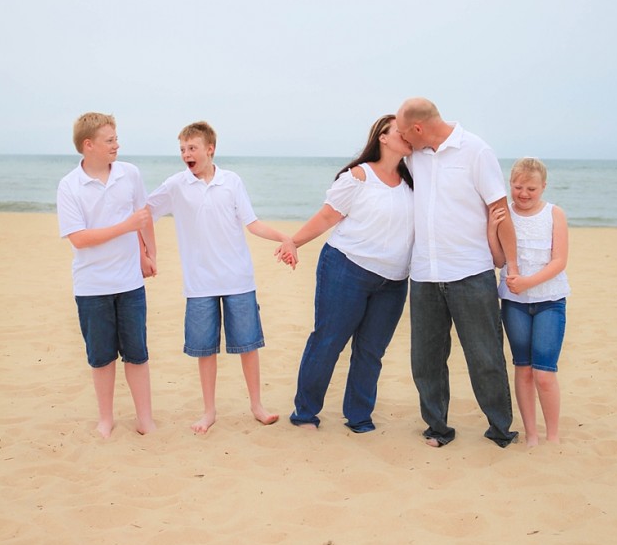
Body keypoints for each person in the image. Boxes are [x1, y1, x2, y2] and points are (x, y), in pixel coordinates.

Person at [145, 120, 295, 433]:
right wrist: (147, 253)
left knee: (248, 345)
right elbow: (144, 212)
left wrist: (285, 237)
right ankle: (209, 411)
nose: (186, 153)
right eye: (183, 149)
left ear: (210, 149)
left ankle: (257, 405)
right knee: (205, 349)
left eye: (192, 148)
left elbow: (252, 224)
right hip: (199, 283)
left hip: (238, 278)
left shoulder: (232, 181)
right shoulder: (176, 185)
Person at [277, 115, 414, 433]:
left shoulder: (413, 179)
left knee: (371, 351)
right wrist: (293, 241)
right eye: (400, 130)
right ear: (382, 136)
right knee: (328, 341)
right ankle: (305, 413)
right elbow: (327, 216)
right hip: (345, 269)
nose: (407, 135)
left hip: (393, 281)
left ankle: (359, 416)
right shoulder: (358, 177)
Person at [395, 97, 518, 448]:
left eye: (405, 132)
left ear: (418, 128)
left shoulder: (476, 151)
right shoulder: (414, 156)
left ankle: (500, 429)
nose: (403, 139)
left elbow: (499, 209)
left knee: (485, 356)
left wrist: (512, 266)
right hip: (424, 275)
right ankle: (437, 427)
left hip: (470, 273)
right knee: (426, 359)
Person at [56, 112, 157, 438]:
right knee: (101, 359)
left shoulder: (130, 173)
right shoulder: (69, 186)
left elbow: (144, 216)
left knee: (137, 355)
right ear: (89, 145)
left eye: (116, 138)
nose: (117, 144)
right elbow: (79, 238)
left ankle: (145, 420)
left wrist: (148, 253)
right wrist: (125, 228)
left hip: (130, 283)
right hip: (91, 286)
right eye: (110, 140)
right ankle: (105, 420)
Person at [487, 157, 570, 447]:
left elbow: (559, 260)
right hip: (514, 304)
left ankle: (553, 436)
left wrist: (527, 282)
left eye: (531, 189)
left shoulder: (554, 214)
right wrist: (491, 230)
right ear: (510, 184)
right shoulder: (503, 213)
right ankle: (532, 435)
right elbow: (498, 260)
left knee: (544, 373)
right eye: (518, 186)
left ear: (543, 187)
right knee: (522, 369)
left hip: (549, 301)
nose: (523, 193)